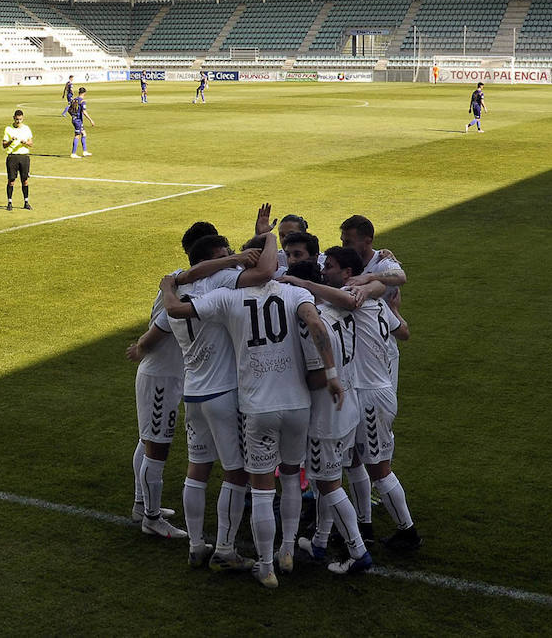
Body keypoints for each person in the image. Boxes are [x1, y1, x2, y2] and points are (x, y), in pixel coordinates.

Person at [162, 231, 344, 589]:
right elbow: (316, 322)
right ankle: (283, 550)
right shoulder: (294, 294)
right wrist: (333, 373)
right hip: (287, 401)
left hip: (216, 397)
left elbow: (176, 309)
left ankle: (246, 558)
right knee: (281, 476)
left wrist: (167, 284)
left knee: (222, 477)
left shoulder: (222, 297)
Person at [128, 223, 276, 561]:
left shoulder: (177, 285)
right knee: (221, 468)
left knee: (183, 459)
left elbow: (167, 314)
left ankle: (155, 514)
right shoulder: (214, 287)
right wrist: (140, 348)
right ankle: (157, 519)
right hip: (180, 381)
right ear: (210, 258)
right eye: (225, 256)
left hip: (191, 388)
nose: (232, 260)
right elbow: (159, 328)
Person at [319, 245, 418, 551]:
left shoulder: (353, 296)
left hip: (371, 396)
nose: (325, 271)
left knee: (379, 469)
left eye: (330, 267)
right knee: (354, 462)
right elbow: (401, 330)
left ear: (348, 274)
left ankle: (408, 531)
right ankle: (364, 524)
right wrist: (386, 297)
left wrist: (302, 283)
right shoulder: (372, 298)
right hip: (370, 390)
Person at [282, 259, 378, 575]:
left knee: (328, 484)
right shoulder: (339, 310)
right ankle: (321, 542)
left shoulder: (311, 324)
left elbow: (320, 376)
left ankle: (357, 551)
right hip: (347, 408)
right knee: (331, 478)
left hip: (327, 415)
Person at [1, 109, 33, 210]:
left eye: (20, 119)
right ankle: (9, 202)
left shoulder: (26, 129)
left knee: (25, 180)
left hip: (24, 157)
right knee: (11, 180)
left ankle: (26, 202)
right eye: (17, 119)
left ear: (22, 118)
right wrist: (11, 141)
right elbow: (4, 145)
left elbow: (31, 143)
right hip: (12, 157)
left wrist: (25, 143)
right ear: (14, 118)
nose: (18, 121)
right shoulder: (8, 129)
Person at [68, 86, 95, 158]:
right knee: (77, 135)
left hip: (75, 120)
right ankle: (73, 153)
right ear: (84, 93)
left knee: (84, 134)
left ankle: (85, 151)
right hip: (78, 121)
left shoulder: (74, 100)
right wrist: (90, 120)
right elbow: (84, 112)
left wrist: (73, 116)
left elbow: (69, 110)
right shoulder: (82, 101)